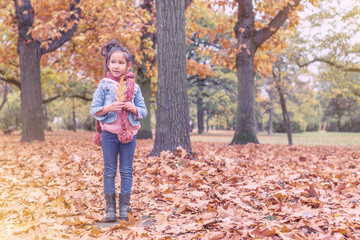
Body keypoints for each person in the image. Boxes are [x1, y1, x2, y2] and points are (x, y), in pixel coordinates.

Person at [90, 39, 147, 222]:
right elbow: (94, 110)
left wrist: (134, 108)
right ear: (108, 63)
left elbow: (144, 111)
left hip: (128, 136)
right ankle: (110, 209)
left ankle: (124, 207)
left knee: (126, 171)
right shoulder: (104, 85)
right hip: (108, 135)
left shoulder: (135, 88)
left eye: (120, 63)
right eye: (113, 62)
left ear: (128, 65)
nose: (116, 66)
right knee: (109, 171)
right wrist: (109, 108)